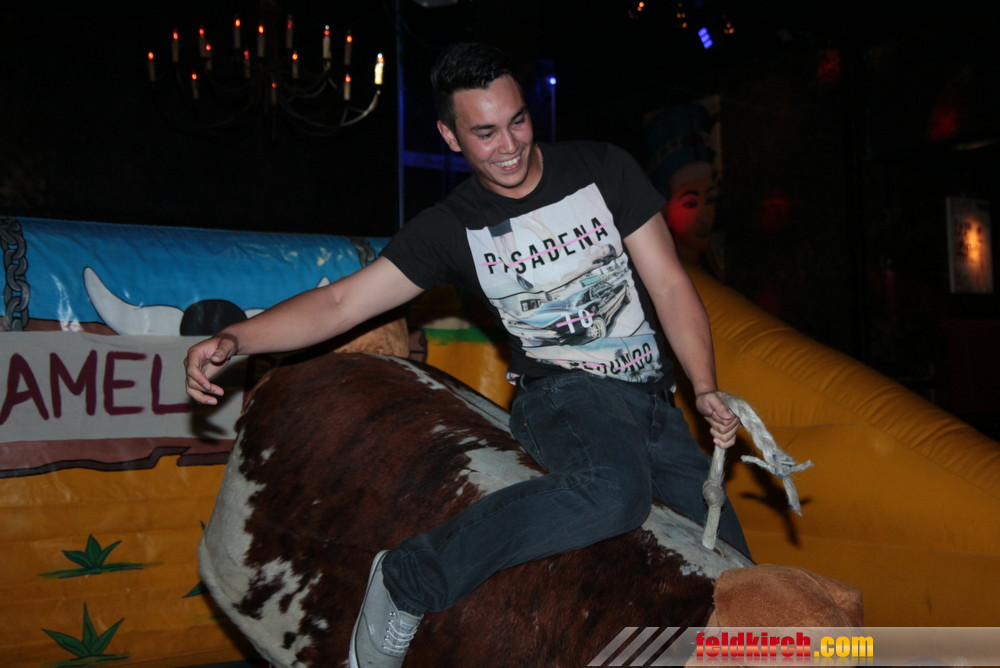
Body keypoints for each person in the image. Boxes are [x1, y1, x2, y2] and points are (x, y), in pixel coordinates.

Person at [185, 43, 749, 668]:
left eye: (517, 121)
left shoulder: (603, 169)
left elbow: (669, 283)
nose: (509, 145)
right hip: (566, 397)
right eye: (485, 132)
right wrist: (238, 338)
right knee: (613, 493)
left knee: (743, 580)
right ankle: (409, 578)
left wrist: (703, 385)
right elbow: (341, 304)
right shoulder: (452, 227)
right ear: (450, 137)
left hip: (656, 410)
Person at [644, 101, 724, 276]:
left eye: (710, 199)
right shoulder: (662, 271)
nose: (704, 217)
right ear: (665, 211)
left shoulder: (718, 259)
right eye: (690, 204)